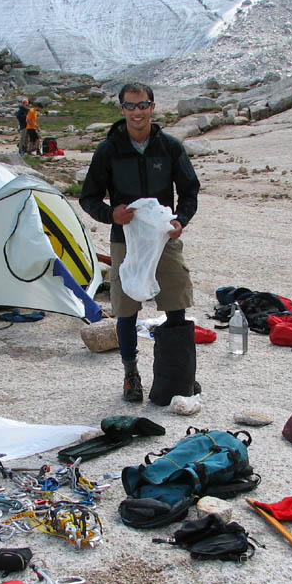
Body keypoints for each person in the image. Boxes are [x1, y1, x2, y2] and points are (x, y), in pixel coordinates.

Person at [80, 82, 201, 404]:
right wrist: (111, 214)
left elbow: (190, 191)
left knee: (176, 302)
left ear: (152, 107)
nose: (137, 112)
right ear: (121, 109)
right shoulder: (108, 150)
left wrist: (180, 221)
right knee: (126, 308)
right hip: (125, 239)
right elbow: (89, 197)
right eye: (131, 106)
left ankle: (178, 371)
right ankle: (131, 374)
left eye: (143, 105)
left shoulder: (170, 147)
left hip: (164, 239)